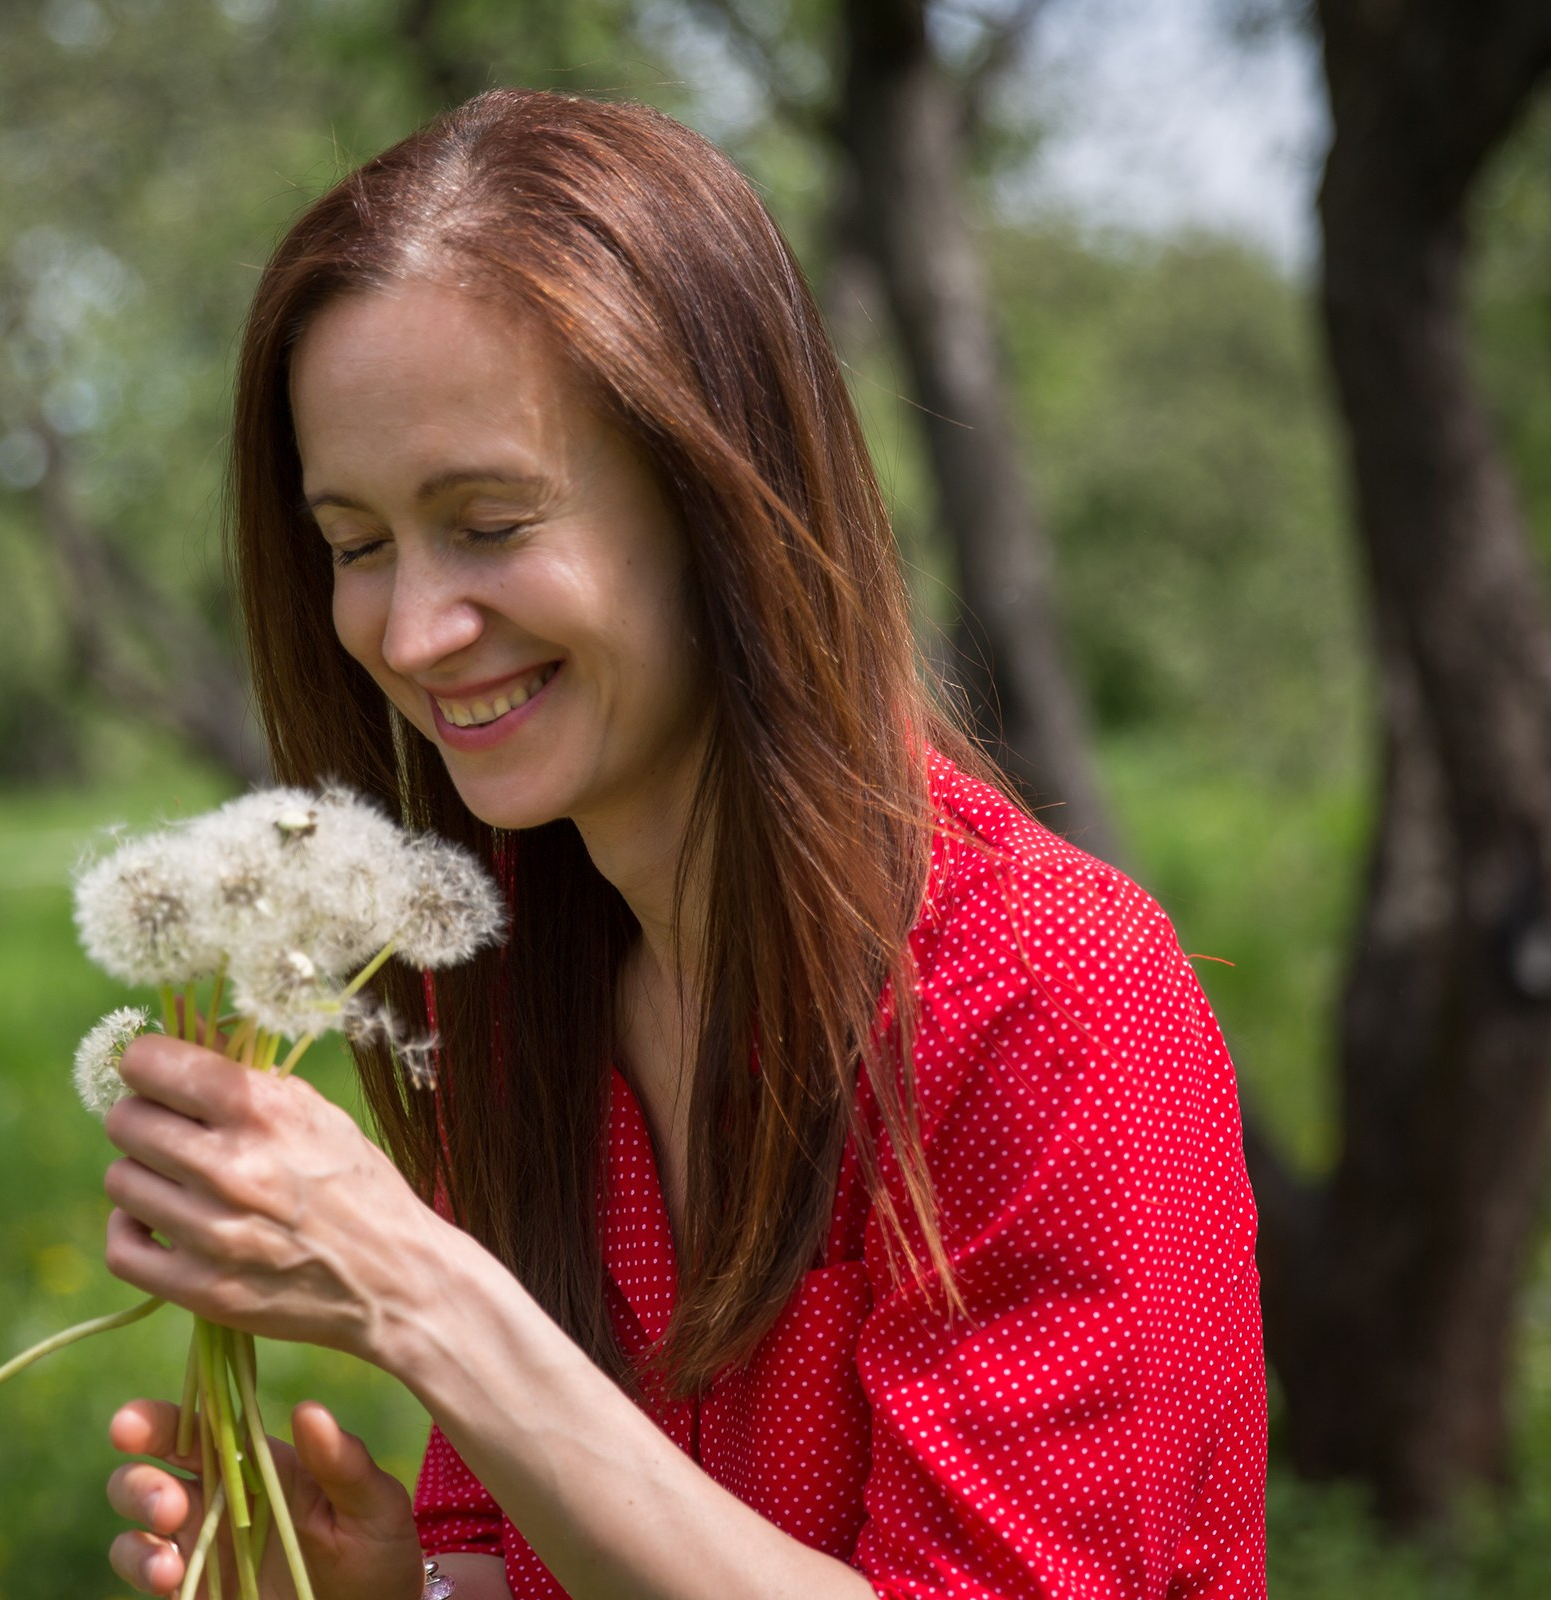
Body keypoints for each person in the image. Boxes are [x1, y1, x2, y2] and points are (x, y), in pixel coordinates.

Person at [92, 89, 1265, 1600]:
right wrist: (399, 1588)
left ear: (721, 498)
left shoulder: (1047, 1001)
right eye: (357, 543)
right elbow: (536, 1543)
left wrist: (427, 1298)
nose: (413, 628)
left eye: (492, 520)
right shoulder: (503, 986)